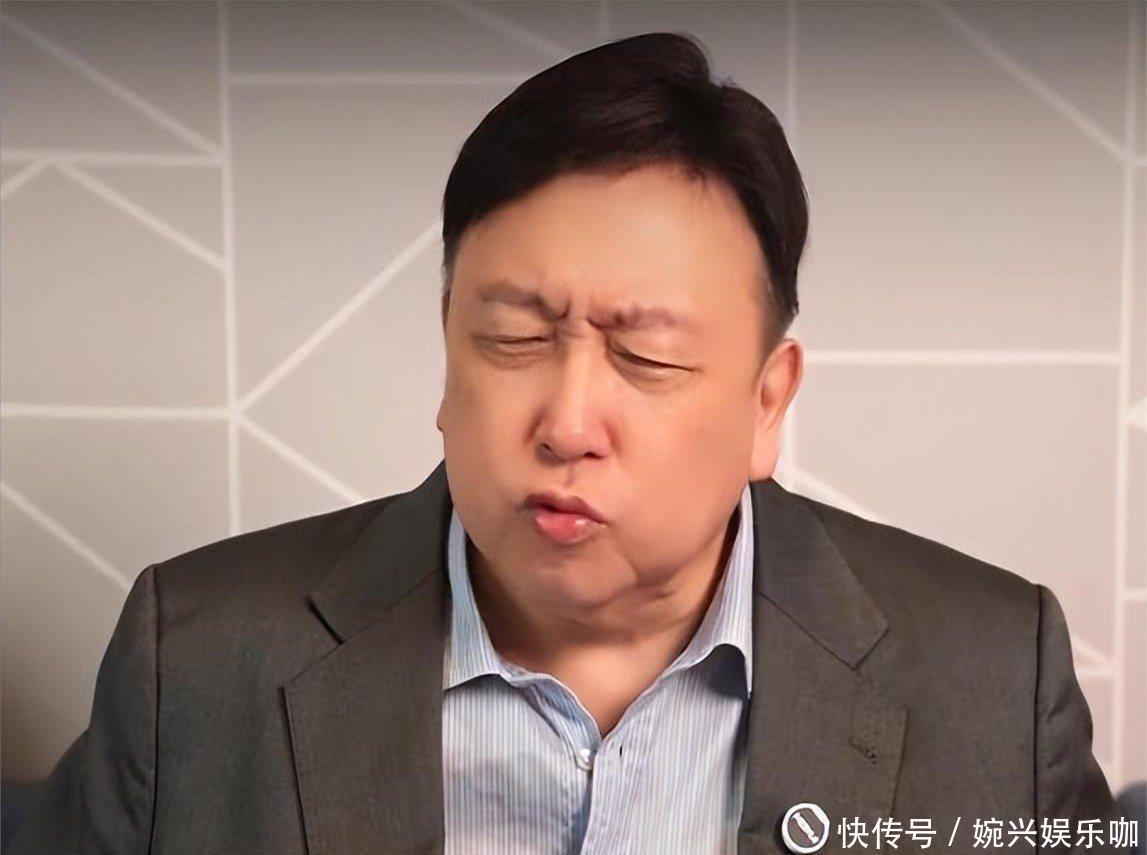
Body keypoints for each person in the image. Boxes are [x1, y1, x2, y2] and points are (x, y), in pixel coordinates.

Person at [8, 31, 1130, 855]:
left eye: (645, 356)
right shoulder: (199, 660)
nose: (566, 423)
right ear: (446, 352)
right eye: (513, 338)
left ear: (765, 401)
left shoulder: (991, 676)